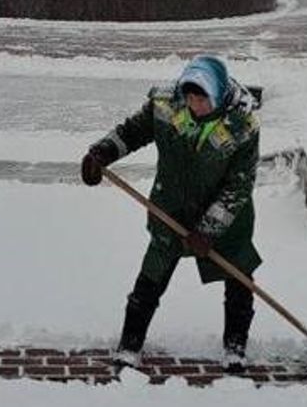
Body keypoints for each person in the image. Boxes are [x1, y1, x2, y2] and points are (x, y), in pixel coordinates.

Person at [80, 55, 261, 372]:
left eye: (202, 98)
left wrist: (209, 229)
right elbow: (133, 131)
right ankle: (130, 343)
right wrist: (102, 152)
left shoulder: (242, 128)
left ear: (217, 95)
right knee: (152, 275)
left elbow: (239, 185)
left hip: (227, 218)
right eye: (190, 96)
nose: (194, 104)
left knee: (238, 276)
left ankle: (235, 345)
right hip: (172, 208)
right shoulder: (166, 107)